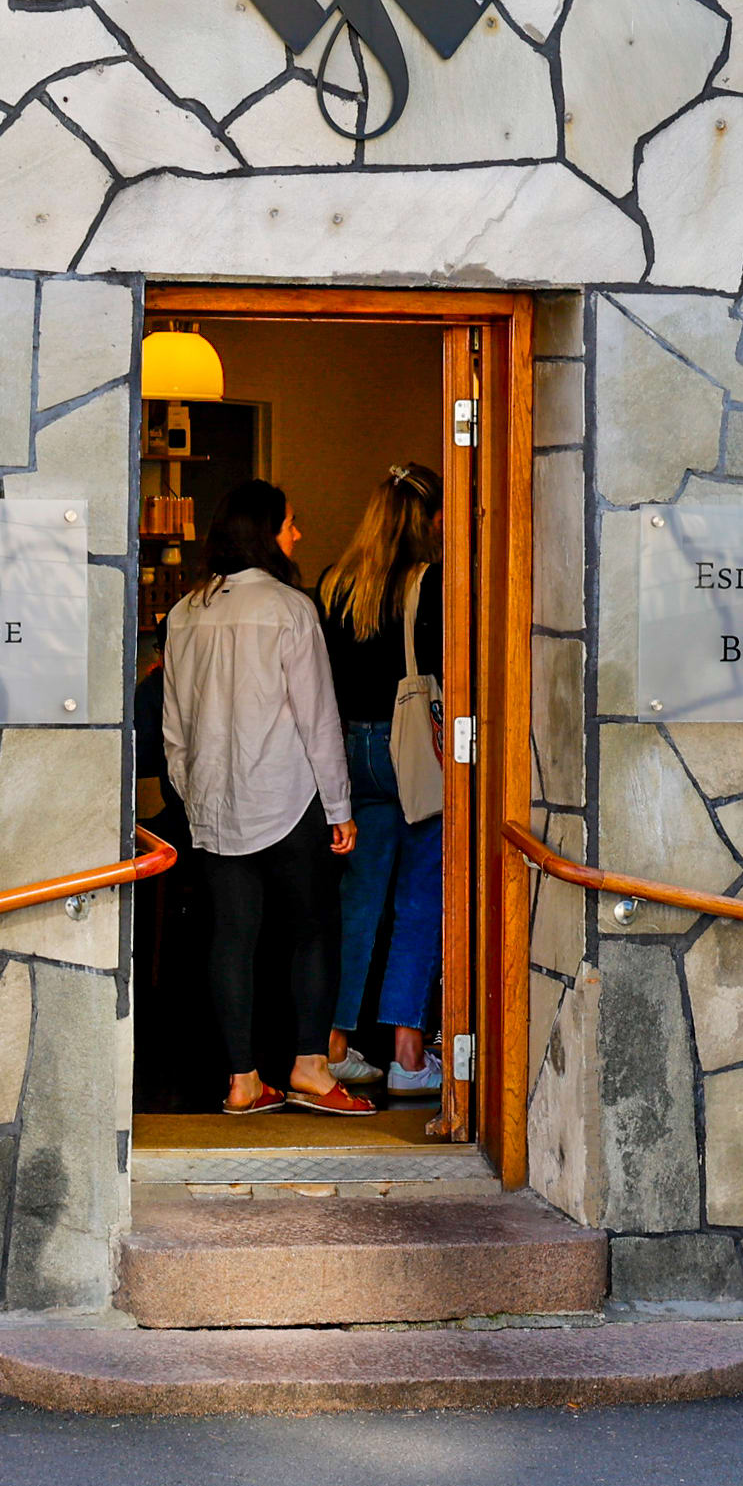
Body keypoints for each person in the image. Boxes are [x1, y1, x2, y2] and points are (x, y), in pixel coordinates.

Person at [159, 478, 375, 1119]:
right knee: (314, 932)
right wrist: (339, 806)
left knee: (231, 937)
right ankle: (309, 1068)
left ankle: (242, 1082)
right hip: (288, 796)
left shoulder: (183, 612)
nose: (298, 534)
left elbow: (172, 725)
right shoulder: (289, 608)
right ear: (264, 532)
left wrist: (190, 788)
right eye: (291, 523)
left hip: (215, 803)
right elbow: (318, 716)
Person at [314, 460, 448, 1098]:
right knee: (419, 898)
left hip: (349, 750)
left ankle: (336, 1045)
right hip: (412, 752)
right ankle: (408, 1056)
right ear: (430, 520)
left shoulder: (334, 583)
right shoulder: (432, 584)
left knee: (358, 902)